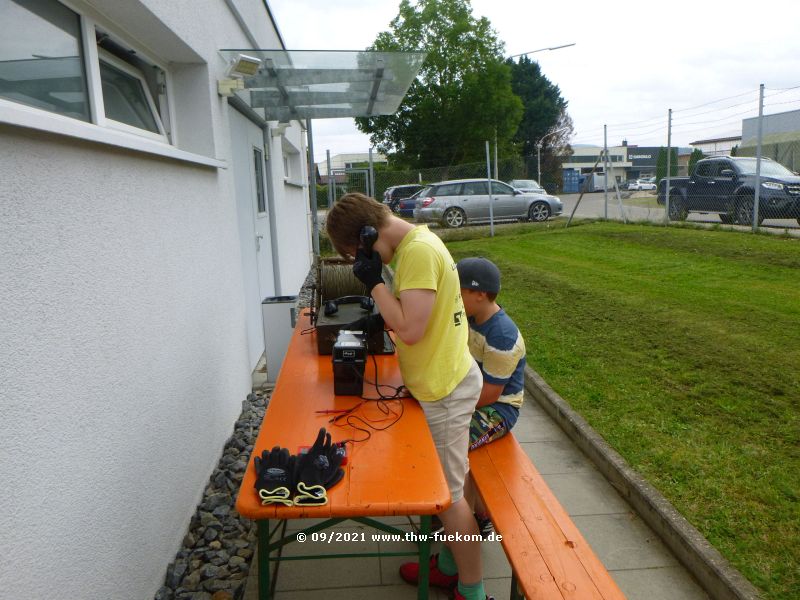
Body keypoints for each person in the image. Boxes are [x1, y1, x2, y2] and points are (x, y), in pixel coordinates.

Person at [325, 193, 490, 600]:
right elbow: (416, 313)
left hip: (445, 390)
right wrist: (378, 310)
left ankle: (471, 591)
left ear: (365, 237)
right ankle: (449, 566)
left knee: (449, 499)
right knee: (447, 487)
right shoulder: (414, 246)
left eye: (353, 254)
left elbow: (411, 329)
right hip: (436, 381)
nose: (357, 263)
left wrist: (374, 283)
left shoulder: (416, 253)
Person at [457, 257, 527, 536]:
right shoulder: (471, 318)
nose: (454, 298)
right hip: (475, 397)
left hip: (498, 410)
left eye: (458, 292)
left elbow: (490, 394)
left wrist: (450, 403)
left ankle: (466, 518)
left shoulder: (502, 336)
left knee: (453, 445)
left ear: (480, 294)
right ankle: (470, 510)